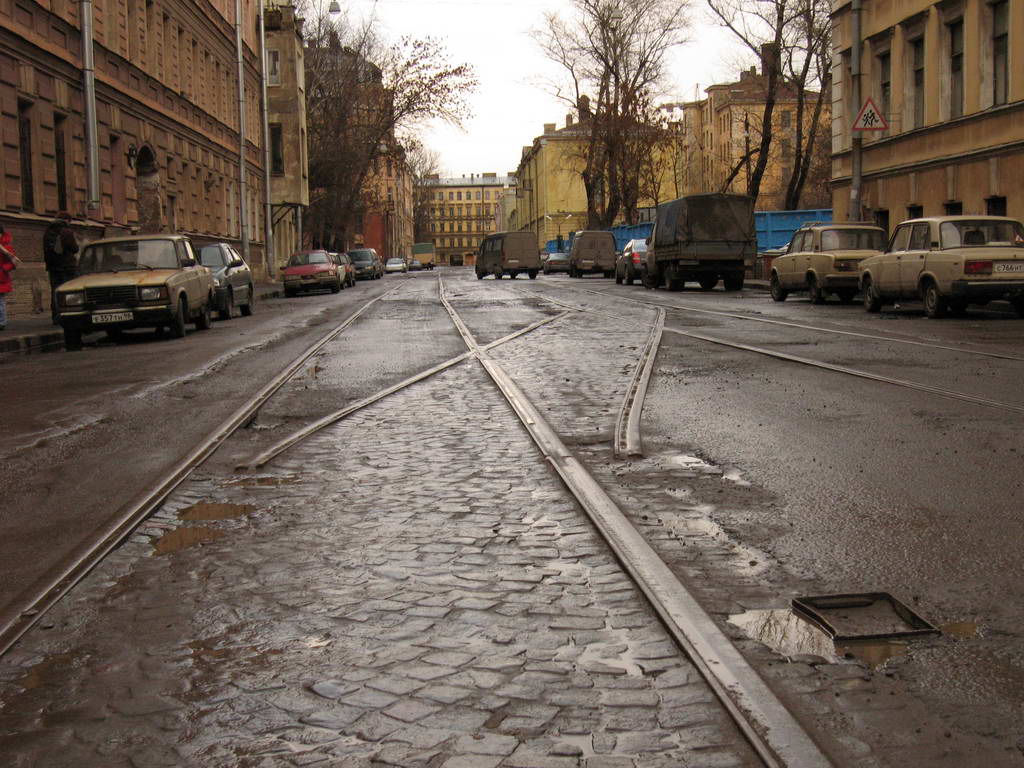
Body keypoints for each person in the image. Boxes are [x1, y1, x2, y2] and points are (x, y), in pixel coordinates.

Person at [43, 212, 79, 323]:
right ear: (67, 220)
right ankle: (69, 316)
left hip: (53, 267)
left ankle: (56, 317)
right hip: (67, 267)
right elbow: (75, 249)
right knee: (69, 292)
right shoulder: (67, 232)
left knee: (55, 291)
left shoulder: (48, 231)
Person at [0, 226, 18, 331]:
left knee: (0, 301)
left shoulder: (6, 247)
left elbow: (13, 263)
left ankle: (1, 321)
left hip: (1, 277)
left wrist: (3, 269)